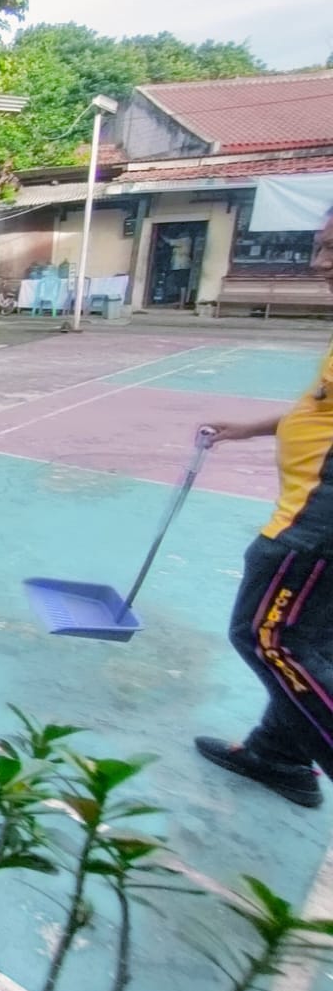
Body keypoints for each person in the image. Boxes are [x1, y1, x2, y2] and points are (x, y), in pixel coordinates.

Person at [194, 209, 333, 809]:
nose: (320, 261)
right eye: (321, 246)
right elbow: (317, 409)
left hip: (315, 522)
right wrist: (251, 428)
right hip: (312, 513)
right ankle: (279, 753)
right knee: (311, 639)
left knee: (269, 637)